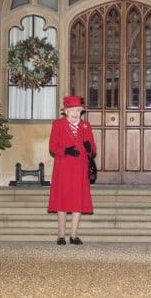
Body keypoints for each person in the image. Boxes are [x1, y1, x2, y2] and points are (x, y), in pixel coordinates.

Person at [47, 96, 96, 245]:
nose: (75, 113)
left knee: (77, 202)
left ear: (81, 112)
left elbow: (93, 149)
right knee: (62, 202)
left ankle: (73, 235)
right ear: (66, 112)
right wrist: (65, 151)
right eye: (72, 110)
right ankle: (61, 235)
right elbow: (52, 146)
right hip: (63, 168)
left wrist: (90, 149)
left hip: (80, 169)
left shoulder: (86, 126)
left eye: (78, 111)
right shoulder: (58, 125)